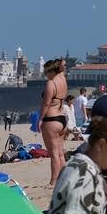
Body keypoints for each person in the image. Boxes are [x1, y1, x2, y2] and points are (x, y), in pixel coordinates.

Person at [39, 58, 71, 187]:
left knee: (54, 154)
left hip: (51, 119)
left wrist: (40, 119)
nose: (45, 75)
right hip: (62, 119)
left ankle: (53, 181)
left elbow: (46, 103)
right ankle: (65, 178)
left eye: (46, 72)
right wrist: (60, 62)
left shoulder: (51, 83)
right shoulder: (62, 78)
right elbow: (63, 66)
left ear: (51, 71)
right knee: (60, 153)